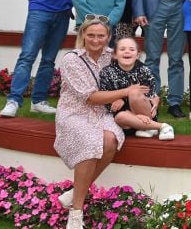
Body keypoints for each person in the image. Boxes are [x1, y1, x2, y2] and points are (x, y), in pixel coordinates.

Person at [53, 18, 122, 228]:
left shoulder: (112, 56)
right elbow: (90, 97)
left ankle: (75, 192)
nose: (95, 39)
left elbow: (130, 75)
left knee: (111, 140)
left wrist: (148, 96)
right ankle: (75, 213)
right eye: (91, 35)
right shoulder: (71, 59)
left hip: (102, 112)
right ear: (82, 35)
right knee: (90, 141)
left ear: (108, 37)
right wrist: (123, 92)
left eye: (101, 35)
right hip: (74, 112)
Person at [99, 36, 175, 140]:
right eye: (122, 49)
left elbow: (150, 95)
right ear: (115, 55)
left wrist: (123, 98)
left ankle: (147, 128)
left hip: (145, 111)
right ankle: (161, 126)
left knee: (134, 92)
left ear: (137, 55)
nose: (127, 52)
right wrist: (129, 111)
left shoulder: (143, 70)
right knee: (120, 117)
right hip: (125, 118)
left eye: (131, 49)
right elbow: (105, 98)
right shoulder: (106, 72)